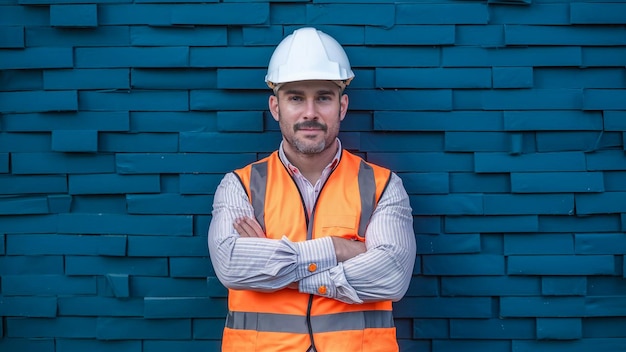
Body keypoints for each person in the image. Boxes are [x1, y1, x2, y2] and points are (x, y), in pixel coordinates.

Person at [207, 27, 416, 352]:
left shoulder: (382, 186)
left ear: (342, 106)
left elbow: (391, 276)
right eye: (295, 98)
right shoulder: (240, 186)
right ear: (276, 108)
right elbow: (232, 266)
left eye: (323, 97)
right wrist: (340, 249)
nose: (310, 112)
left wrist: (273, 266)